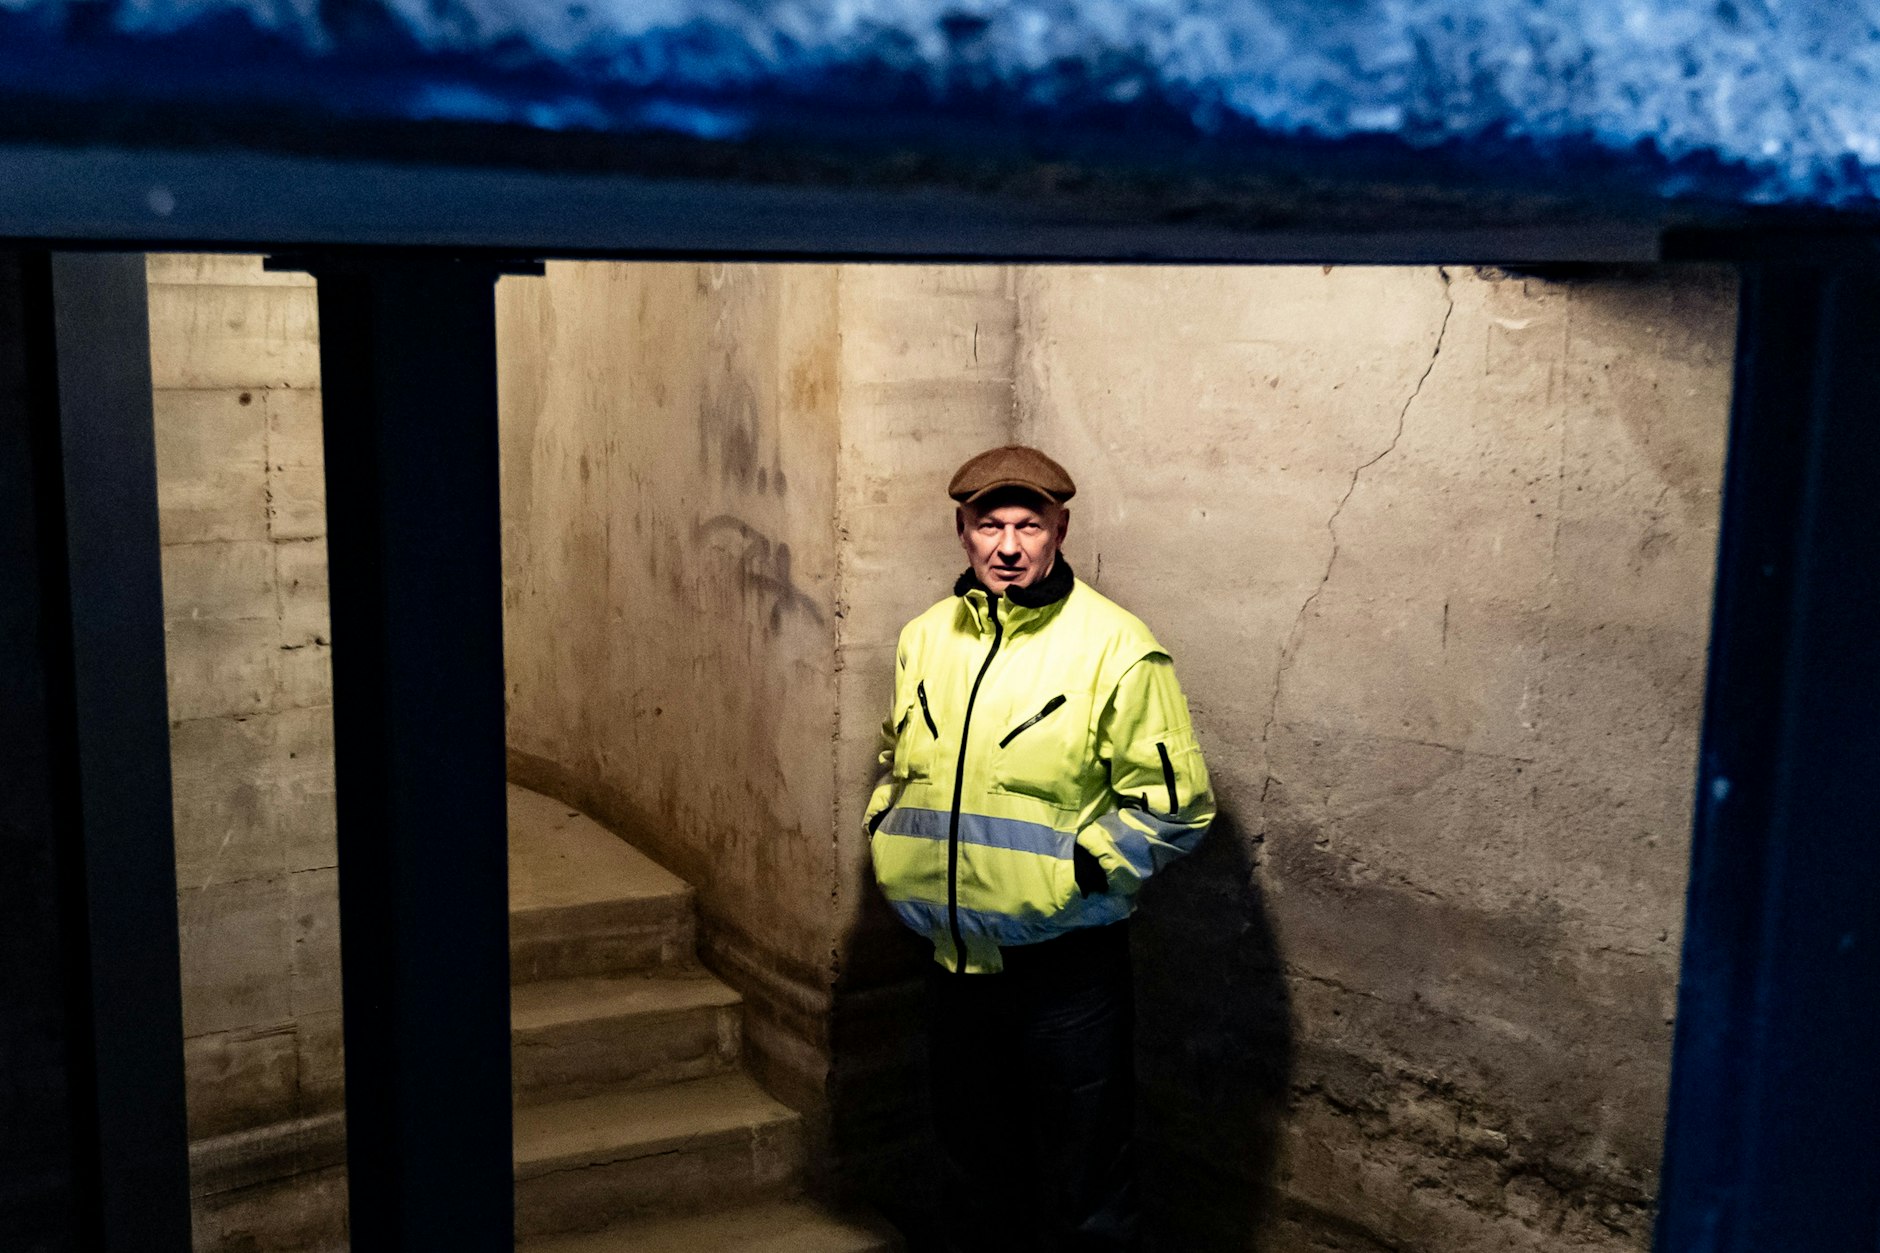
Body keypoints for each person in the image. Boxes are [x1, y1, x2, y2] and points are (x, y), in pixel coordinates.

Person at [864, 444, 1214, 1252]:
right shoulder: (924, 638)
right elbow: (897, 757)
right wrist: (885, 825)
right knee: (975, 1174)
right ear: (962, 530)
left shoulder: (1117, 646)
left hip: (1066, 971)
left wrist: (1077, 871)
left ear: (1061, 529)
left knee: (1084, 1189)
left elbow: (1177, 807)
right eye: (991, 525)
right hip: (952, 963)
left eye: (1029, 524)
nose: (1009, 546)